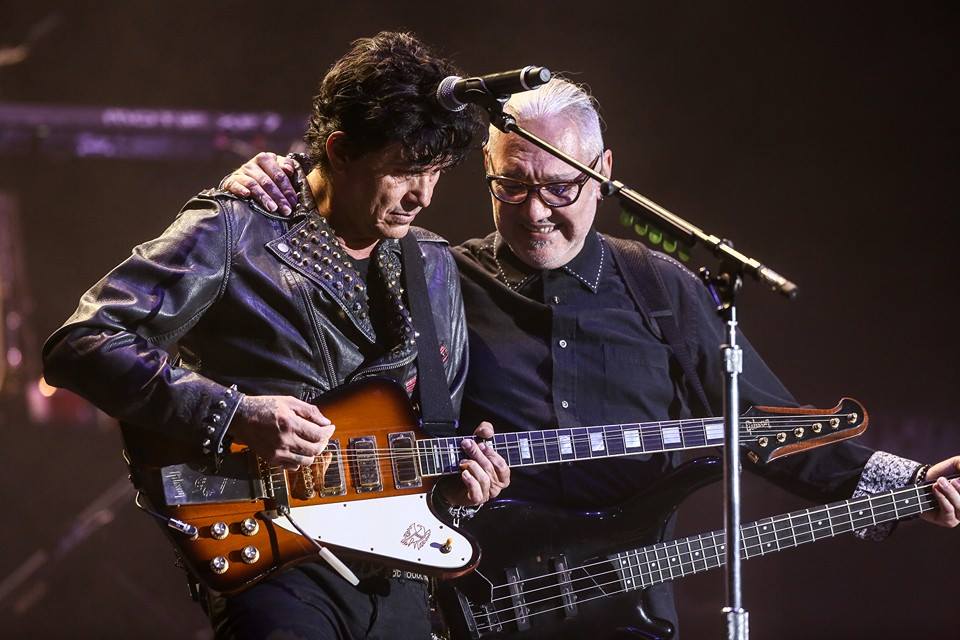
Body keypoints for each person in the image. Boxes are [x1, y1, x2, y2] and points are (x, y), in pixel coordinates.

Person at [221, 77, 960, 635]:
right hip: (472, 599)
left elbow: (765, 423)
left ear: (604, 172)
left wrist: (910, 481)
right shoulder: (434, 273)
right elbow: (328, 270)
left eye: (559, 187)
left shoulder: (661, 287)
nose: (535, 210)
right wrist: (267, 187)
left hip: (625, 604)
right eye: (511, 186)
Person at [42, 32, 511, 640]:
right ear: (341, 151)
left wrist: (460, 488)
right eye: (404, 171)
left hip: (398, 571)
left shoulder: (435, 264)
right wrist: (235, 414)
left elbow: (426, 440)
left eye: (436, 173)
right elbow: (82, 343)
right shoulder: (238, 228)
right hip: (276, 559)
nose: (422, 196)